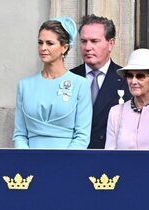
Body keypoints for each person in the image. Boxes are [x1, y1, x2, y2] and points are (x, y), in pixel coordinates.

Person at [13, 16, 92, 149]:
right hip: (30, 162)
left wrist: (62, 162)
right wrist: (26, 158)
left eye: (49, 43)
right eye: (40, 42)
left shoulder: (80, 84)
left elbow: (82, 136)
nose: (43, 48)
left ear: (64, 48)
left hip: (66, 161)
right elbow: (20, 134)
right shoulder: (24, 86)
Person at [71, 14, 131, 149]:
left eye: (94, 41)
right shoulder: (69, 78)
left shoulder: (126, 79)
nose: (87, 47)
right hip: (73, 158)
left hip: (109, 160)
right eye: (83, 41)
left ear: (110, 44)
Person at [105, 48, 149, 149]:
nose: (133, 81)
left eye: (140, 76)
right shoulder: (116, 112)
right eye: (130, 76)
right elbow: (110, 154)